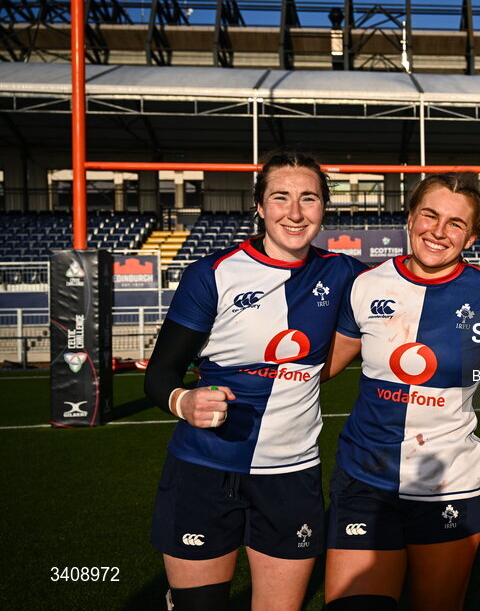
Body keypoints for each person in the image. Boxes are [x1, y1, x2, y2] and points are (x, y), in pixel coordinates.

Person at [144, 152, 367, 611]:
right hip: (204, 470)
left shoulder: (344, 272)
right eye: (280, 198)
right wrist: (183, 401)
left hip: (291, 476)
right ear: (260, 207)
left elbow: (418, 280)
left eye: (309, 198)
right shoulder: (212, 274)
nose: (295, 212)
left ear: (324, 207)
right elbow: (159, 374)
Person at [322, 172, 480, 611]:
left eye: (456, 224)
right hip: (365, 478)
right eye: (429, 215)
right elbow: (322, 366)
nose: (438, 231)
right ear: (410, 217)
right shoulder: (367, 285)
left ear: (473, 235)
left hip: (448, 483)